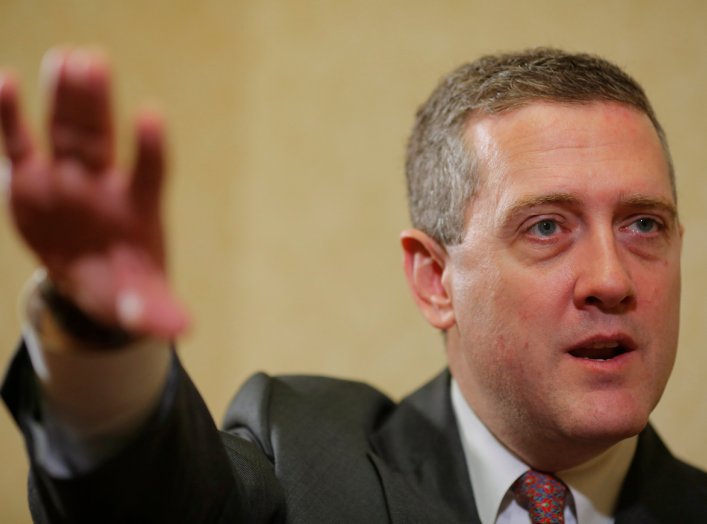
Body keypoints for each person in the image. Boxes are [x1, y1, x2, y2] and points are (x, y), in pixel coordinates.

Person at [1, 47, 706, 523]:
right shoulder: (307, 459)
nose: (611, 280)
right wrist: (98, 339)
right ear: (434, 280)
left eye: (643, 225)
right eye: (546, 228)